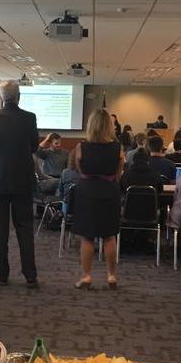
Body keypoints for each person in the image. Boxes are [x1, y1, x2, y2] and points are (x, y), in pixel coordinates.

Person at [0, 80, 39, 288]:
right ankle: (30, 276)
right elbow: (34, 147)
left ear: (1, 97)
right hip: (22, 181)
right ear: (19, 95)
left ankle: (2, 275)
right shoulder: (29, 118)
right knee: (25, 230)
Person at [72, 109, 123, 290]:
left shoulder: (81, 147)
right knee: (110, 236)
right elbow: (118, 174)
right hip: (109, 190)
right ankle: (111, 276)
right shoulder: (118, 148)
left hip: (87, 192)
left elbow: (80, 171)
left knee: (87, 237)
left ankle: (86, 276)